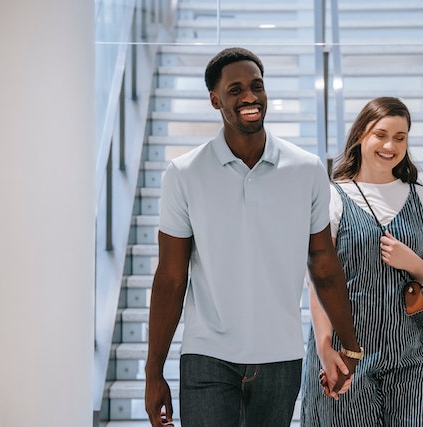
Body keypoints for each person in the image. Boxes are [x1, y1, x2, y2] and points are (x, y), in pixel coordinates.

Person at [144, 47, 363, 427]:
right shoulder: (183, 174)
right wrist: (153, 371)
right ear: (215, 100)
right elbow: (170, 277)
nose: (250, 96)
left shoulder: (306, 169)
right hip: (206, 355)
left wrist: (351, 346)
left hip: (280, 357)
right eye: (235, 89)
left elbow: (324, 264)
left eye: (256, 86)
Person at [301, 97, 423, 426]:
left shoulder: (422, 199)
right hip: (346, 352)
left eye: (400, 137)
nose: (389, 145)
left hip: (414, 353)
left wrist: (411, 261)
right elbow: (317, 284)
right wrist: (325, 349)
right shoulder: (332, 198)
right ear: (360, 136)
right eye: (380, 134)